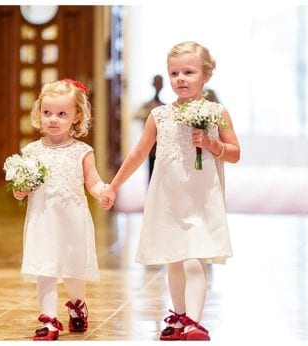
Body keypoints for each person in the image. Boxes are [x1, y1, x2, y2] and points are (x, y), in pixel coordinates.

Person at [103, 41, 241, 341]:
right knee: (175, 260)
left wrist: (212, 144)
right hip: (168, 199)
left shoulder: (217, 112)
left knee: (194, 260)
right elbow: (138, 155)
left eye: (188, 72)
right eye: (174, 73)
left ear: (206, 75)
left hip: (202, 199)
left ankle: (194, 321)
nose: (180, 79)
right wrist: (113, 186)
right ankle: (179, 316)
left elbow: (234, 153)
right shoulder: (159, 116)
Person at [13, 78, 110, 341]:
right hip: (42, 219)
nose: (53, 119)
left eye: (61, 114)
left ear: (77, 116)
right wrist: (19, 190)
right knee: (44, 267)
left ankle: (78, 305)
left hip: (72, 221)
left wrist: (103, 191)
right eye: (47, 113)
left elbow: (93, 181)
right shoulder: (31, 151)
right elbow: (22, 184)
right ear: (39, 113)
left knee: (72, 268)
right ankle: (49, 320)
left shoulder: (82, 151)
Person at [135, 74, 165, 180]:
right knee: (151, 168)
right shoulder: (147, 105)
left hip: (162, 142)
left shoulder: (164, 105)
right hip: (151, 143)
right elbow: (136, 116)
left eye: (160, 83)